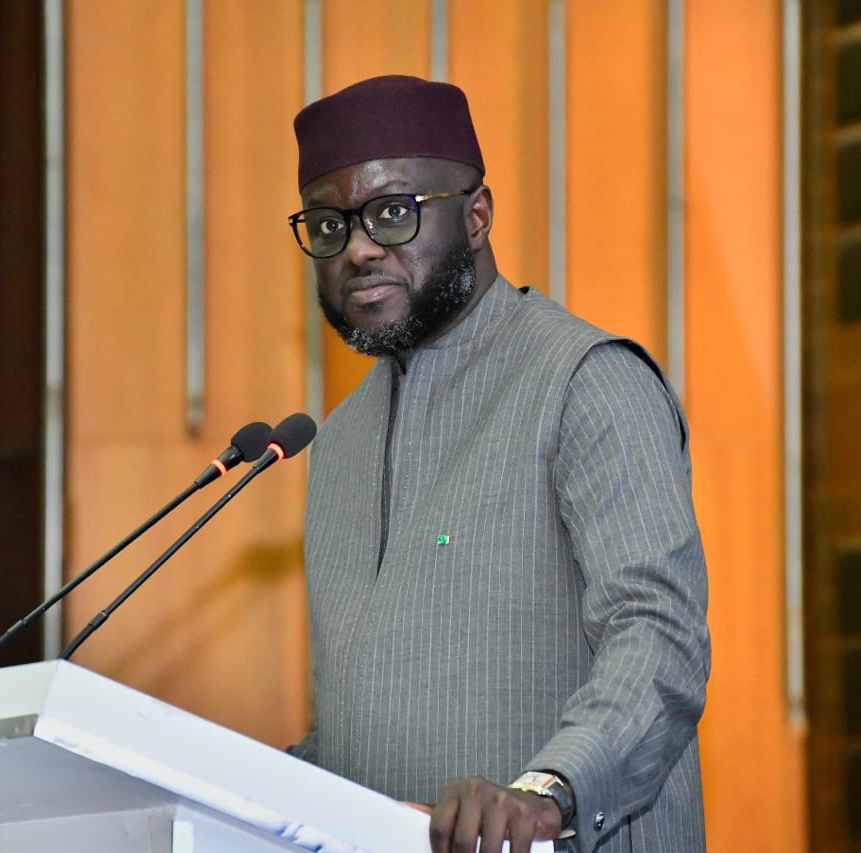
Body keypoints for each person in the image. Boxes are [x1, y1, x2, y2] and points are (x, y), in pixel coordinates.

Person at [286, 75, 710, 853]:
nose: (358, 249)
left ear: (476, 216)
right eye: (327, 224)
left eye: (392, 212)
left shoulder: (586, 381)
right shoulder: (337, 445)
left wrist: (548, 791)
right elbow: (366, 727)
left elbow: (660, 636)